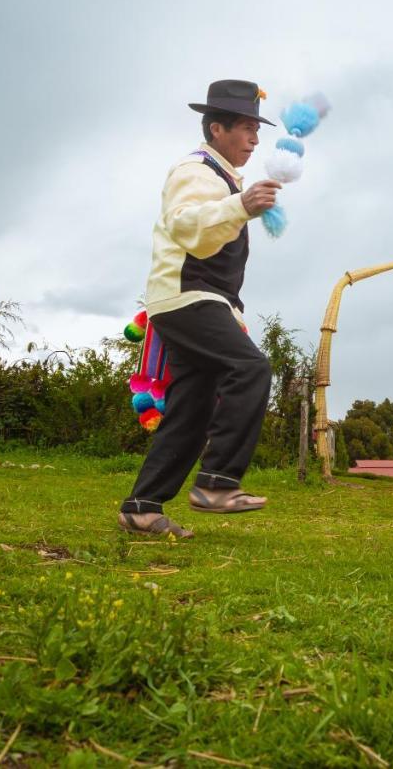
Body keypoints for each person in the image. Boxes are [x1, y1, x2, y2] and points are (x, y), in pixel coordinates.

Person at [118, 80, 283, 539]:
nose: (254, 139)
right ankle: (217, 482)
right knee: (250, 368)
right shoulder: (195, 171)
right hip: (186, 296)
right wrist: (240, 204)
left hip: (197, 300)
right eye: (247, 128)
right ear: (216, 128)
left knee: (190, 408)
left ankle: (141, 506)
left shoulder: (225, 178)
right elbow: (186, 226)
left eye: (257, 130)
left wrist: (239, 201)